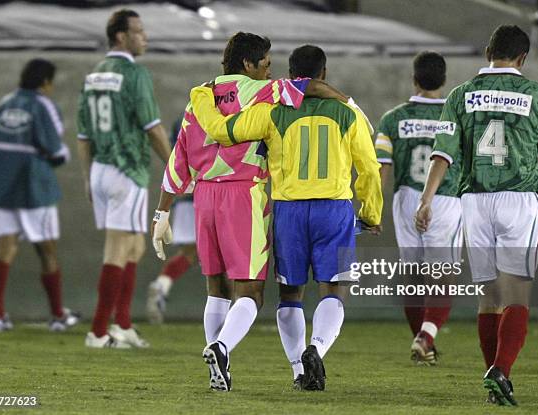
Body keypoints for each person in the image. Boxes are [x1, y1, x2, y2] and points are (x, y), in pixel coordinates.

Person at [151, 33, 348, 391]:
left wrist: (161, 213)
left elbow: (178, 158)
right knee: (251, 292)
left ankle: (219, 368)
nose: (269, 72)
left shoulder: (200, 97)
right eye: (266, 64)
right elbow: (311, 88)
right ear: (248, 64)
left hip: (204, 198)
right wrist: (349, 104)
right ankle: (222, 348)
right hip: (244, 195)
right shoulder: (258, 90)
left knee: (216, 290)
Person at [188, 45, 383, 391]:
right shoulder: (346, 116)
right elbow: (368, 168)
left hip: (289, 210)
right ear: (323, 75)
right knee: (333, 289)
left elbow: (226, 131)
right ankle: (316, 350)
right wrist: (370, 212)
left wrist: (203, 97)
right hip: (333, 209)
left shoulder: (271, 112)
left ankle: (298, 369)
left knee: (290, 295)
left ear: (292, 76)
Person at [415, 25, 538, 405]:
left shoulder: (461, 95)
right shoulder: (535, 93)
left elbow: (443, 151)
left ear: (487, 52)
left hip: (474, 201)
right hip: (518, 197)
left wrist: (426, 199)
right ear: (522, 58)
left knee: (488, 297)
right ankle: (501, 370)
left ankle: (493, 382)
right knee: (517, 293)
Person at [77, 9, 171, 348]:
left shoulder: (94, 75)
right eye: (139, 31)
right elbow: (153, 129)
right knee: (118, 249)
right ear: (121, 36)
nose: (145, 37)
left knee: (135, 245)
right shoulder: (135, 74)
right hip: (126, 170)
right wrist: (178, 166)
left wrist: (88, 178)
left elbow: (83, 134)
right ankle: (99, 332)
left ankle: (124, 324)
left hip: (101, 169)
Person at [375, 51, 462, 365]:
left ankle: (423, 343)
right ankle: (426, 336)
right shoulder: (455, 115)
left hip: (407, 197)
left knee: (412, 275)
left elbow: (381, 168)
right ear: (444, 79)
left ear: (414, 79)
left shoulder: (393, 118)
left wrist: (373, 208)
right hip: (445, 197)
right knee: (442, 273)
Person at [0, 58, 79, 332]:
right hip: (34, 187)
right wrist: (60, 156)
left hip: (3, 187)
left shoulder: (4, 104)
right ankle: (57, 316)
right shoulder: (42, 105)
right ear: (45, 82)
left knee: (4, 248)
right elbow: (56, 147)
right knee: (47, 250)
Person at [146, 119, 198, 324]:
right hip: (207, 196)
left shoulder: (181, 121)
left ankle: (162, 284)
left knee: (192, 253)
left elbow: (174, 157)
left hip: (182, 196)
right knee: (222, 256)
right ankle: (236, 309)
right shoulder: (216, 114)